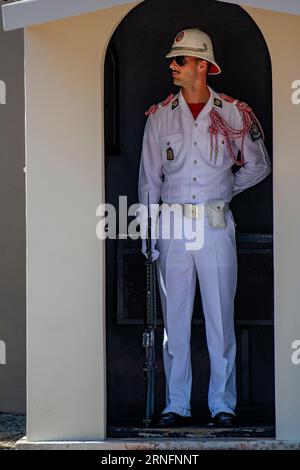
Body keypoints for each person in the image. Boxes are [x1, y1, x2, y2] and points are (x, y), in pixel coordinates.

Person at [138, 28, 271, 427]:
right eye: (172, 61)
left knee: (219, 317)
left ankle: (222, 405)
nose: (173, 67)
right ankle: (175, 404)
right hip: (173, 224)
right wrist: (148, 234)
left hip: (215, 223)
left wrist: (224, 191)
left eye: (180, 60)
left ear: (203, 65)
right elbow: (149, 180)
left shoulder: (233, 113)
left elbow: (258, 165)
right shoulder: (160, 116)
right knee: (174, 323)